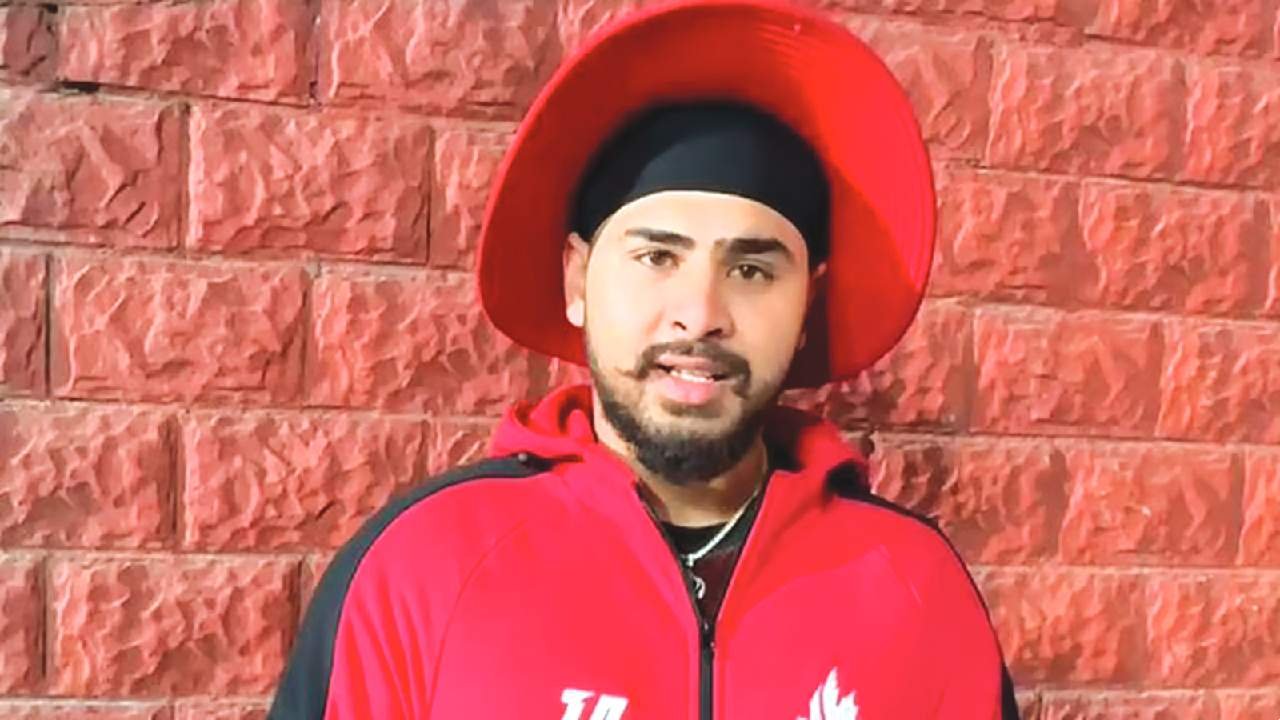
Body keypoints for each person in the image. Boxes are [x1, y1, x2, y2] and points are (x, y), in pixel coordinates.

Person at [268, 1, 1019, 718]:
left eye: (751, 270)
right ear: (577, 281)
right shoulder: (421, 569)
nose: (700, 312)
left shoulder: (915, 588)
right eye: (658, 257)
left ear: (806, 308)